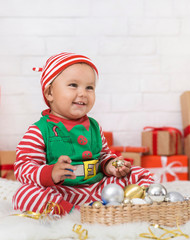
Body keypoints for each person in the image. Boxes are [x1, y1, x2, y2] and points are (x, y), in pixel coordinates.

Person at [12, 52, 154, 215]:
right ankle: (72, 213)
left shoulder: (94, 126)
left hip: (97, 188)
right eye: (73, 85)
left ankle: (130, 203)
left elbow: (103, 155)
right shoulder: (39, 130)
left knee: (140, 173)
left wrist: (111, 166)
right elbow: (23, 167)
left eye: (89, 87)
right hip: (62, 192)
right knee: (24, 194)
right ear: (49, 93)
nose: (83, 93)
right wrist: (50, 173)